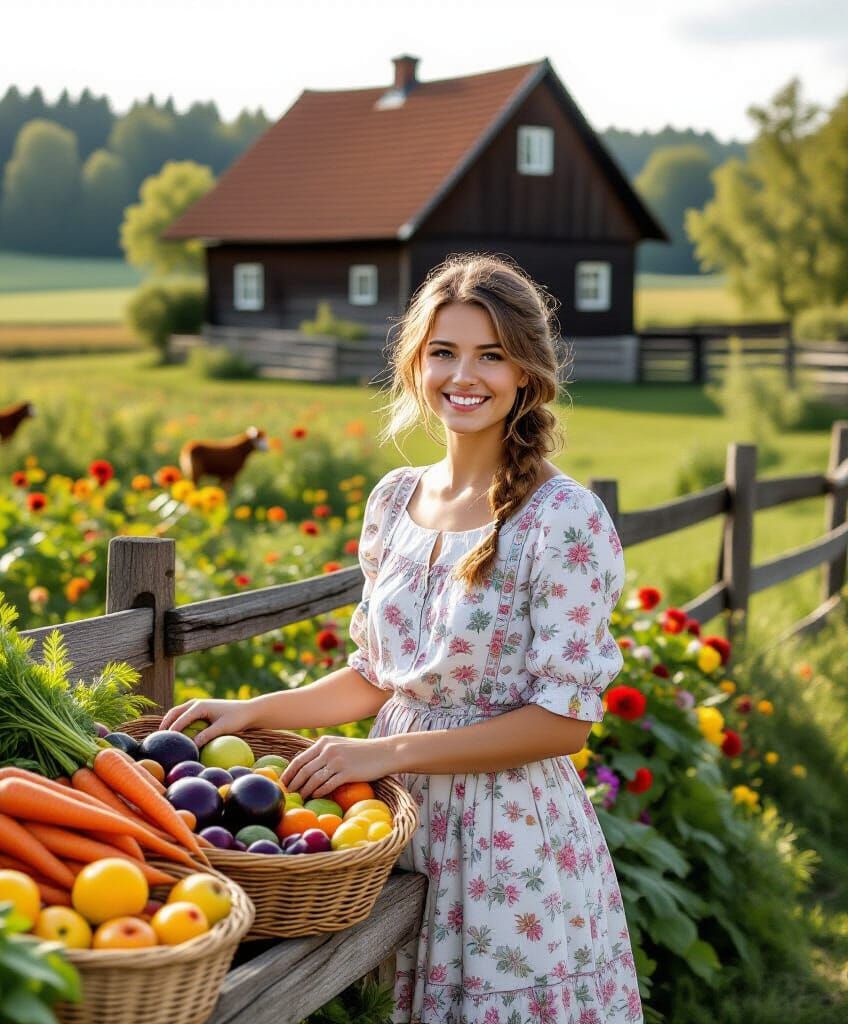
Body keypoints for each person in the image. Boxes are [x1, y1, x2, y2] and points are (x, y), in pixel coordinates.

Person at [161, 253, 643, 1024]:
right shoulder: (394, 500)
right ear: (416, 363)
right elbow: (379, 676)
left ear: (526, 372)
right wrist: (252, 710)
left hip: (506, 839)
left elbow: (564, 723)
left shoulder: (563, 520)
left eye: (491, 355)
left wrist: (381, 753)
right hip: (390, 824)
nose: (466, 375)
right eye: (444, 352)